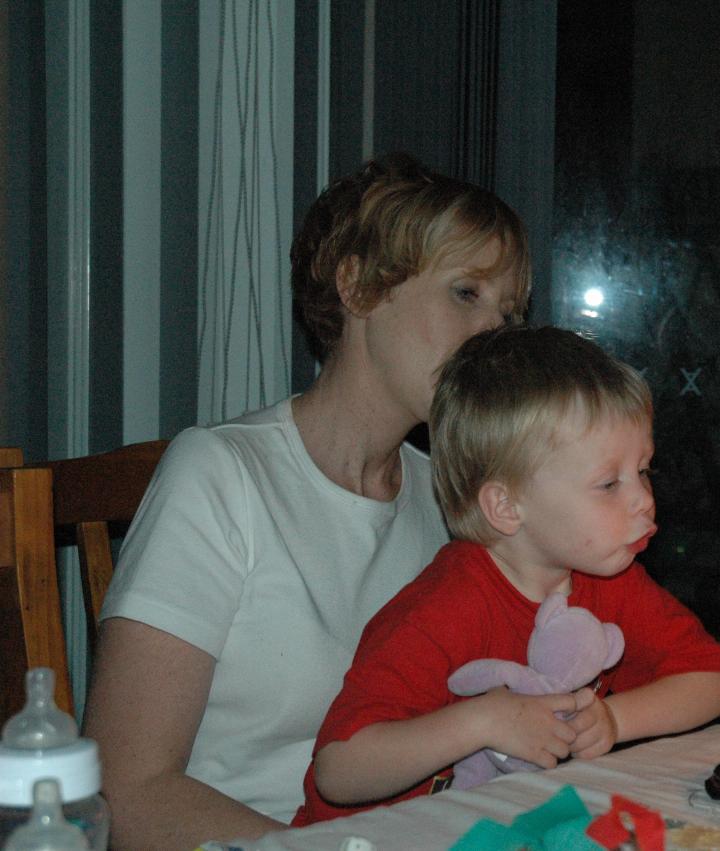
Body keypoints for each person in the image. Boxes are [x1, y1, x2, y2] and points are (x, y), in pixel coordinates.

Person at [82, 152, 530, 850]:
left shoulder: (454, 507)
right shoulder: (222, 476)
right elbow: (126, 790)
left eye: (507, 312)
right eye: (466, 292)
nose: (494, 336)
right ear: (356, 286)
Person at [291, 325, 720, 825]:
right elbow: (339, 770)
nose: (643, 499)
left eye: (644, 470)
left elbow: (713, 680)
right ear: (506, 506)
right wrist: (481, 720)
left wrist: (613, 719)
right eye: (609, 483)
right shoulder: (442, 610)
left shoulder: (610, 580)